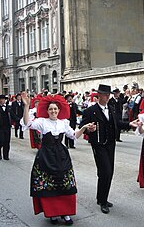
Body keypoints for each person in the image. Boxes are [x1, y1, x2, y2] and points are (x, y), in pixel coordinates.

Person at [20, 92, 95, 225]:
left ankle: (65, 213)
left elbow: (74, 135)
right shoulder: (42, 122)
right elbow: (27, 124)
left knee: (64, 183)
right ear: (47, 111)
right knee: (49, 184)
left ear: (59, 110)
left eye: (55, 109)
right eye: (50, 109)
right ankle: (52, 213)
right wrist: (26, 106)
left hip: (61, 155)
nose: (53, 111)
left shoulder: (63, 123)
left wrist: (83, 127)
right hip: (46, 155)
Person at [80, 84, 138, 214]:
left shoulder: (111, 108)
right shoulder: (91, 110)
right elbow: (83, 125)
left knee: (109, 172)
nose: (107, 97)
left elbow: (117, 123)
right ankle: (102, 200)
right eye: (105, 95)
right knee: (104, 171)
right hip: (99, 144)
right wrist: (89, 129)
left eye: (108, 95)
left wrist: (129, 124)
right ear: (99, 95)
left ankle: (102, 198)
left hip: (110, 144)